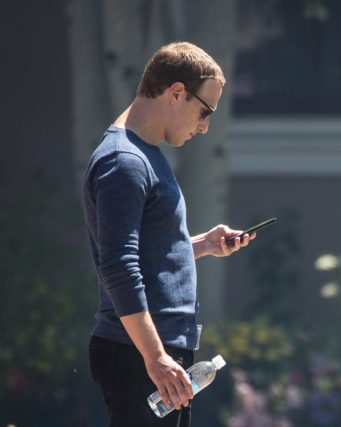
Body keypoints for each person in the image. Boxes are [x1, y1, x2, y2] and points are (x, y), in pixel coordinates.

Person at [82, 41, 254, 427]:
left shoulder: (144, 153)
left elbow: (144, 253)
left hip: (154, 353)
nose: (205, 126)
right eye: (204, 111)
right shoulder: (124, 161)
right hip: (140, 354)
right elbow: (118, 266)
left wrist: (202, 245)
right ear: (176, 92)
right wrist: (155, 357)